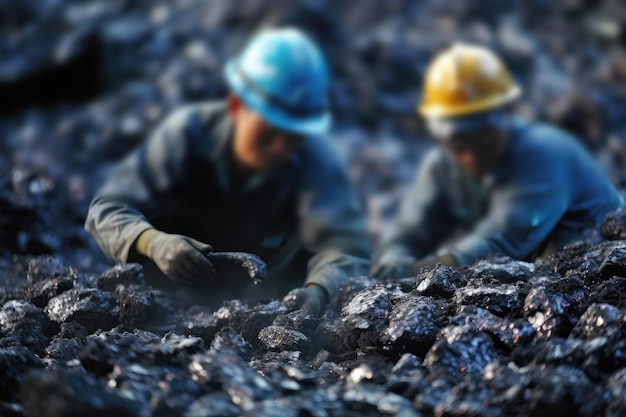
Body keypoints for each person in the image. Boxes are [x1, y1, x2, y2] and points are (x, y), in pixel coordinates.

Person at [85, 28, 370, 315]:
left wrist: (317, 293)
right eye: (270, 132)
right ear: (236, 107)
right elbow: (106, 209)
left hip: (265, 312)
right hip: (159, 306)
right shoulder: (186, 135)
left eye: (294, 136)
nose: (281, 148)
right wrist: (153, 242)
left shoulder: (317, 160)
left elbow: (344, 248)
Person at [371, 43, 625, 280]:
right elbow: (408, 234)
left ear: (509, 112)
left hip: (601, 277)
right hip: (536, 282)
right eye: (458, 143)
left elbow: (501, 243)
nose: (470, 156)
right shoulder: (442, 167)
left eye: (485, 140)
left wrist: (413, 272)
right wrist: (393, 262)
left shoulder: (546, 153)